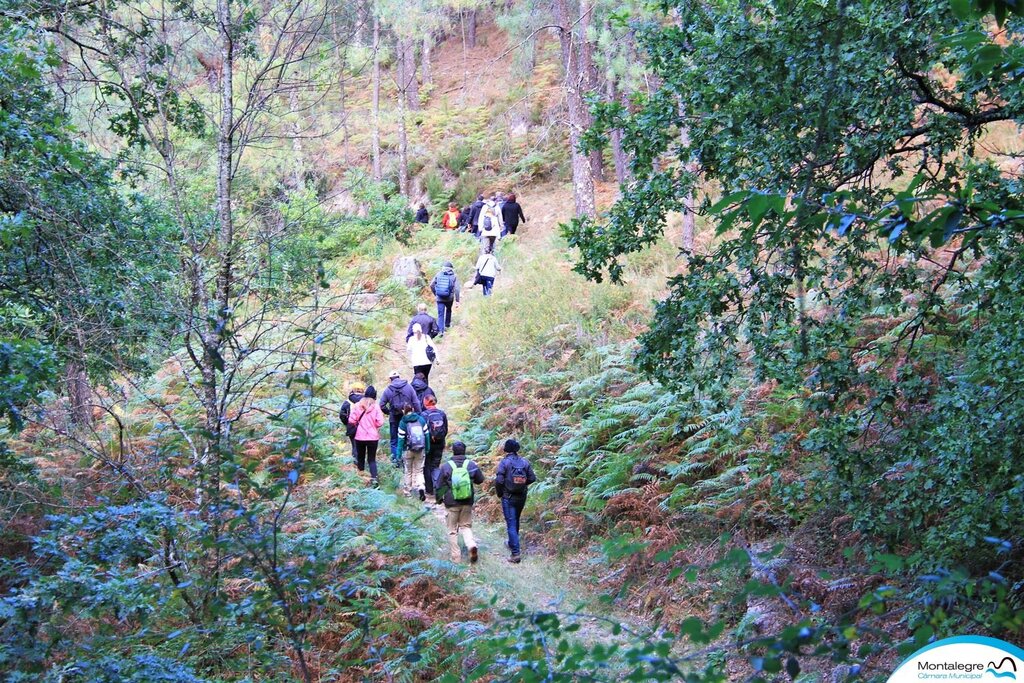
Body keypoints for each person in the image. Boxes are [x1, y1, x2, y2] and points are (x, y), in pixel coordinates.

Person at [435, 441, 485, 564]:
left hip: (451, 503)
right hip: (467, 501)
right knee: (466, 526)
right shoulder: (471, 464)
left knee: (452, 530)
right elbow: (480, 480)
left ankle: (456, 558)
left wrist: (439, 499)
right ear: (464, 451)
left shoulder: (446, 466)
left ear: (453, 451)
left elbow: (439, 485)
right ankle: (471, 545)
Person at [494, 438, 537, 564]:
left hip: (508, 497)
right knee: (516, 520)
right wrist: (522, 484)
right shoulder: (524, 462)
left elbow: (498, 481)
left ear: (506, 449)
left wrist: (500, 492)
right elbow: (532, 478)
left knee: (511, 524)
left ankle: (515, 553)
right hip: (521, 497)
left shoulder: (504, 462)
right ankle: (512, 543)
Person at [348, 385, 386, 487]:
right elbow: (380, 422)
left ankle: (361, 481)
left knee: (360, 459)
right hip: (373, 437)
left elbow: (351, 420)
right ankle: (375, 481)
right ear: (374, 396)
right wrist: (373, 426)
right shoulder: (376, 407)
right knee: (372, 460)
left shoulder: (357, 405)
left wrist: (359, 423)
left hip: (359, 437)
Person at [380, 371, 422, 459]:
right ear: (399, 377)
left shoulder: (388, 390)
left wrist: (388, 412)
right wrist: (418, 414)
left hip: (394, 418)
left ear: (390, 379)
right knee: (407, 438)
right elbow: (416, 402)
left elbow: (382, 405)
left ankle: (396, 462)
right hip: (407, 417)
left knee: (394, 440)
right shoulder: (409, 387)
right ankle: (406, 459)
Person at [396, 405, 431, 500]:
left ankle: (408, 492)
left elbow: (400, 440)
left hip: (407, 450)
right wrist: (427, 448)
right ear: (413, 409)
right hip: (420, 449)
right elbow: (427, 435)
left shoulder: (403, 422)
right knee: (419, 471)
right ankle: (421, 487)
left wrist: (398, 455)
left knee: (408, 471)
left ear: (404, 411)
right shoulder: (421, 419)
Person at [421, 394, 448, 502]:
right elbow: (445, 430)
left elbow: (422, 431)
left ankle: (429, 490)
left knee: (426, 466)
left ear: (426, 402)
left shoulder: (423, 415)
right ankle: (439, 488)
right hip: (440, 443)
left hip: (427, 444)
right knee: (435, 466)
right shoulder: (442, 413)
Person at [430, 261, 460, 336]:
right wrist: (457, 300)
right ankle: (447, 325)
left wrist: (436, 293)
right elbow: (457, 289)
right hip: (449, 298)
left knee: (440, 314)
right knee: (449, 310)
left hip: (439, 297)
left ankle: (440, 331)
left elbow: (431, 285)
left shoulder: (438, 274)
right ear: (451, 268)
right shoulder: (454, 276)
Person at [339, 386, 364, 464]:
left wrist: (347, 423)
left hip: (351, 426)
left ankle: (356, 462)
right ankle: (361, 462)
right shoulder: (366, 401)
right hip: (364, 426)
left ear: (352, 390)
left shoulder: (347, 402)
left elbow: (342, 415)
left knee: (354, 445)